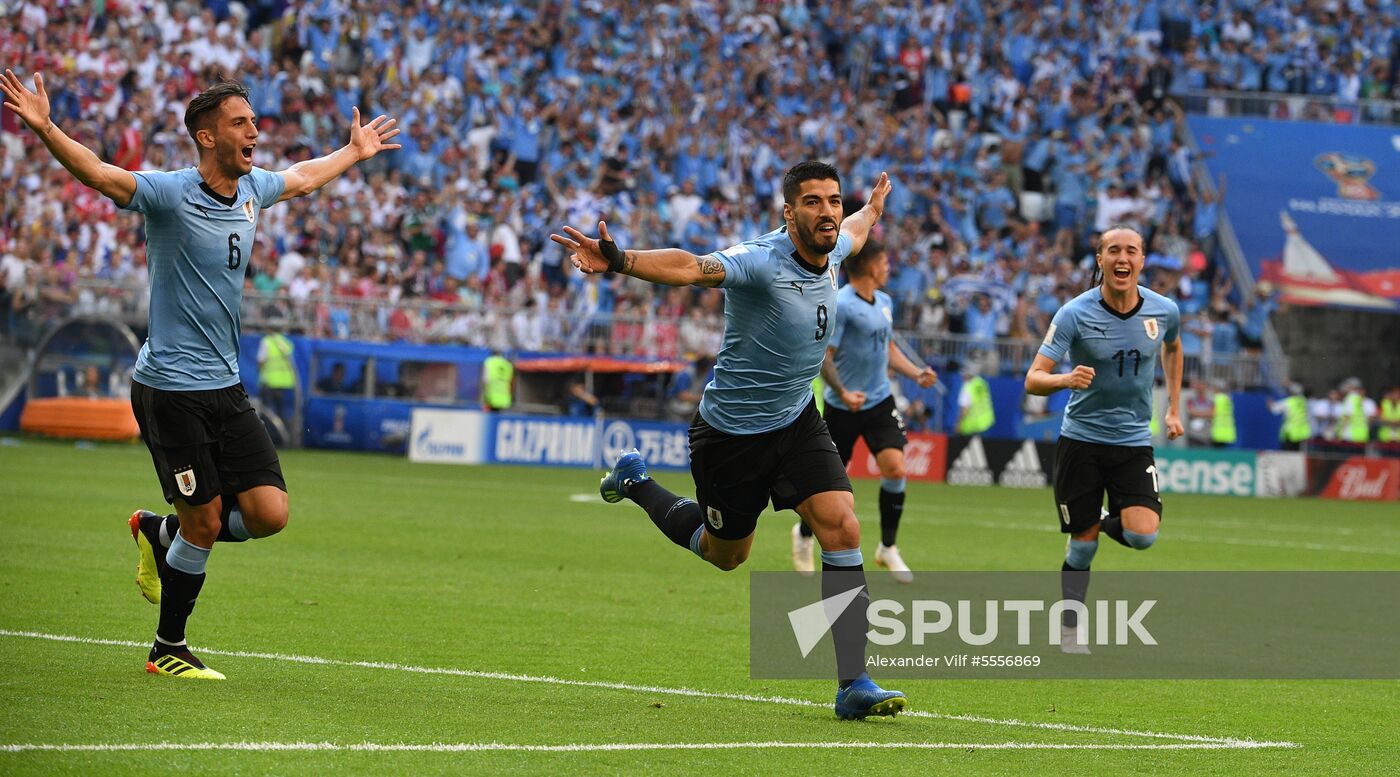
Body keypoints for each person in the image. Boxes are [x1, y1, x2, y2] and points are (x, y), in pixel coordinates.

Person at [1, 71, 400, 680]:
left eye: (254, 121)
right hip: (169, 390)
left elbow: (302, 177)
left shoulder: (252, 191)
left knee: (270, 513)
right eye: (241, 123)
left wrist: (352, 151)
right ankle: (168, 648)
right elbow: (101, 175)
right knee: (207, 522)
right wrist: (47, 127)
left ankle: (159, 532)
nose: (255, 132)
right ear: (206, 137)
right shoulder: (168, 193)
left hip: (225, 387)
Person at [552, 162, 906, 720]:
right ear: (788, 213)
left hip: (795, 421)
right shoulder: (759, 261)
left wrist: (874, 207)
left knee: (842, 525)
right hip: (731, 436)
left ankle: (852, 681)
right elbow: (690, 268)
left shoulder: (836, 248)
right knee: (727, 555)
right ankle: (637, 482)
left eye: (833, 201)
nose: (827, 212)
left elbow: (859, 226)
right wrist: (621, 261)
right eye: (812, 202)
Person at [1024, 225, 1184, 655]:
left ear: (1142, 261)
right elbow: (1032, 379)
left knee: (1143, 535)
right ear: (1100, 259)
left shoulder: (1164, 310)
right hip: (1082, 441)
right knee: (1082, 547)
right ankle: (1071, 626)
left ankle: (1094, 519)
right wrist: (1064, 379)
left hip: (1133, 440)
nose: (1122, 258)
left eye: (1131, 251)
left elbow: (1173, 347)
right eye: (1113, 250)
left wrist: (1172, 407)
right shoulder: (1074, 314)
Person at [792, 239, 937, 582]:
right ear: (871, 266)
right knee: (827, 486)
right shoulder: (841, 303)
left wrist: (916, 372)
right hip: (844, 406)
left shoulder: (885, 302)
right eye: (885, 262)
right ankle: (803, 534)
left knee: (896, 468)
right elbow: (825, 357)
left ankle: (887, 547)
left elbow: (886, 349)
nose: (888, 269)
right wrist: (842, 391)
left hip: (879, 401)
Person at [257, 330, 296, 423]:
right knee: (281, 414)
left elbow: (260, 361)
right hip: (284, 384)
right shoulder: (286, 343)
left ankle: (267, 434)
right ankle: (280, 436)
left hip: (269, 383)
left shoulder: (266, 341)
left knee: (266, 413)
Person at [955, 360, 995, 436]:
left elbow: (964, 410)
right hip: (987, 423)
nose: (962, 376)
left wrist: (958, 425)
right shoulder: (982, 382)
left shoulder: (966, 387)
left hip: (971, 427)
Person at [1271, 382, 1310, 451]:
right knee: (1298, 455)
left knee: (1287, 454)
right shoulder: (1303, 401)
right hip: (1302, 433)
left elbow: (1273, 409)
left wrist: (1269, 403)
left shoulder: (1288, 402)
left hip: (1290, 433)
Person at [1335, 377, 1374, 444]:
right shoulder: (1360, 399)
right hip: (1361, 434)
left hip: (1349, 435)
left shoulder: (1351, 398)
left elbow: (1346, 417)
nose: (1344, 388)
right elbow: (1369, 419)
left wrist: (1340, 434)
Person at [1206, 379, 1237, 448]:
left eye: (1213, 387)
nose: (1212, 389)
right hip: (1228, 431)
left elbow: (1212, 413)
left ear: (1217, 388)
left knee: (1215, 455)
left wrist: (1194, 412)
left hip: (1218, 431)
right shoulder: (1227, 398)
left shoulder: (1217, 398)